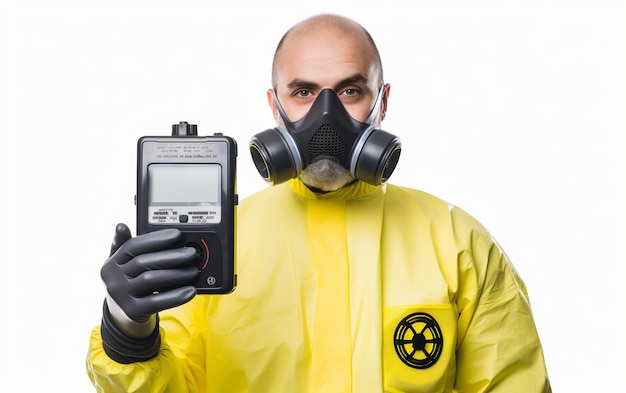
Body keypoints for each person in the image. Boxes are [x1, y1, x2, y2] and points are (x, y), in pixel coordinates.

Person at [86, 13, 552, 392]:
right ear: (275, 107)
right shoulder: (216, 247)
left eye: (350, 91)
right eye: (304, 92)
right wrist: (128, 328)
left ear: (382, 102)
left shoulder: (457, 243)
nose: (325, 116)